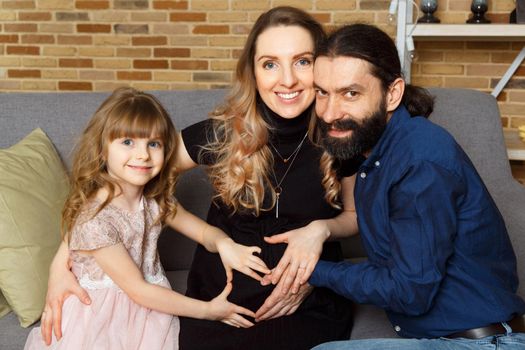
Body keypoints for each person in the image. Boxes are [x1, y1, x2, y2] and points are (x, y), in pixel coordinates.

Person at [41, 7, 356, 350]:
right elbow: (121, 181)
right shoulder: (222, 133)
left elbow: (354, 218)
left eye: (302, 61)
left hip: (305, 297)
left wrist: (320, 230)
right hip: (222, 295)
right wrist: (62, 263)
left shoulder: (342, 136)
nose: (288, 80)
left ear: (323, 67)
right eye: (270, 64)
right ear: (252, 71)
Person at [307, 24, 525, 349]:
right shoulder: (376, 151)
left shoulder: (419, 162)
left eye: (350, 93)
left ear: (392, 93)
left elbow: (409, 293)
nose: (328, 112)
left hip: (482, 342)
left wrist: (312, 271)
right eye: (322, 92)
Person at [25, 87, 272, 349]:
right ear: (101, 149)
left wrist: (224, 243)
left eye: (153, 144)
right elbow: (138, 290)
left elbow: (202, 233)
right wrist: (209, 310)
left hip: (149, 308)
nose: (143, 154)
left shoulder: (154, 201)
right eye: (128, 142)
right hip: (102, 318)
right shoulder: (96, 218)